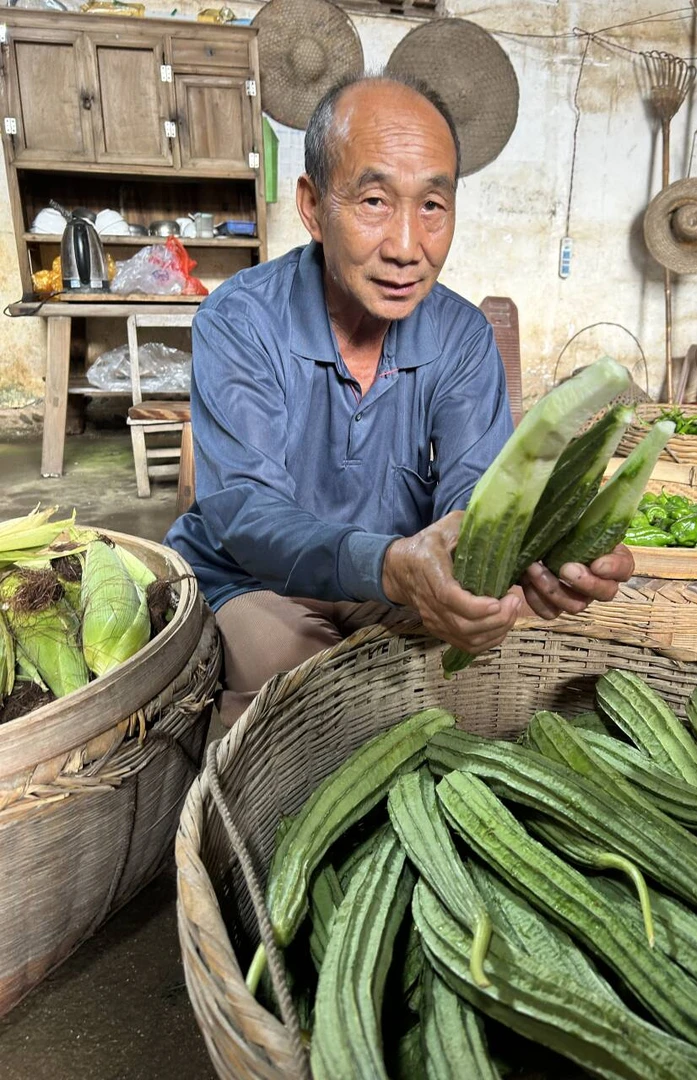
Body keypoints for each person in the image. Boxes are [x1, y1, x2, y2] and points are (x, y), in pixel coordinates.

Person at [165, 71, 633, 726]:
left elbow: (476, 491)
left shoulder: (463, 337)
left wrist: (542, 555)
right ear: (312, 206)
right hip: (248, 576)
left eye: (433, 207)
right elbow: (246, 514)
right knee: (301, 692)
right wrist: (388, 566)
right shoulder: (240, 320)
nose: (408, 248)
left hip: (394, 570)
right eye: (375, 202)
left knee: (470, 676)